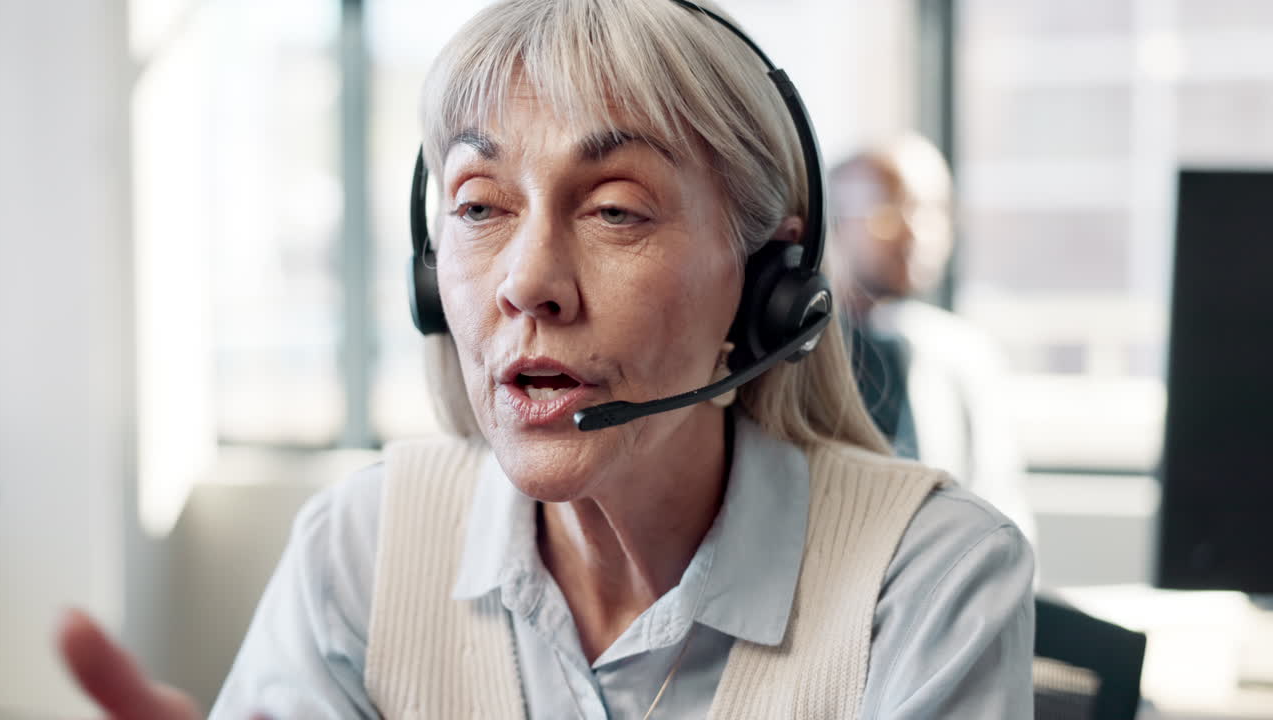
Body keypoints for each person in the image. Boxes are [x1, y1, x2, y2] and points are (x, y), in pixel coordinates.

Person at [57, 1, 1035, 718]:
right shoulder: (360, 547)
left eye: (614, 208)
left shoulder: (928, 576)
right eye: (479, 206)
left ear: (768, 277)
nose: (528, 283)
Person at [828, 134, 1037, 543]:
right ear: (832, 221)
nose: (915, 231)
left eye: (933, 211)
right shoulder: (797, 357)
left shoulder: (964, 354)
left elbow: (1001, 506)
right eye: (887, 212)